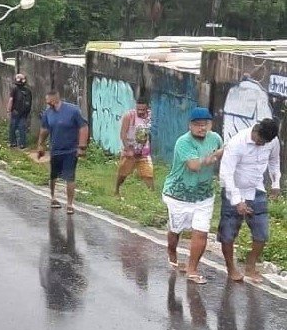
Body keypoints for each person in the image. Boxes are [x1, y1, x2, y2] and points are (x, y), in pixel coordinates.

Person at [162, 107, 223, 285]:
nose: (201, 128)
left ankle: (192, 269)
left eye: (205, 125)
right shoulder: (183, 142)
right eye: (197, 125)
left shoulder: (216, 138)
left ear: (210, 124)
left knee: (201, 231)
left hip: (204, 195)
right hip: (178, 195)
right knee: (176, 230)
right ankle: (172, 251)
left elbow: (223, 155)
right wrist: (212, 157)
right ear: (190, 125)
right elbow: (194, 165)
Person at [218, 118, 280, 284]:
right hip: (233, 191)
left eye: (265, 143)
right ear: (256, 130)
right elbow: (226, 174)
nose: (262, 145)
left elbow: (274, 161)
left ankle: (250, 266)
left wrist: (275, 184)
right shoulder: (237, 143)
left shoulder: (271, 142)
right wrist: (238, 201)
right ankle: (231, 268)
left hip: (256, 190)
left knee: (262, 233)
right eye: (260, 141)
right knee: (228, 233)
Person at [37, 90, 89, 214]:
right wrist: (40, 145)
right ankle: (53, 197)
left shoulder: (73, 111)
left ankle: (70, 204)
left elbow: (83, 127)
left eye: (49, 101)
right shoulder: (47, 113)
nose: (47, 103)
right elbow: (44, 129)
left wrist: (81, 147)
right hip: (55, 150)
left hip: (70, 150)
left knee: (70, 177)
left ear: (55, 99)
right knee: (53, 175)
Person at [115, 95, 154, 195]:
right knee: (123, 174)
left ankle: (151, 197)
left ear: (147, 108)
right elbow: (123, 134)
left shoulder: (150, 116)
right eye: (138, 109)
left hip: (144, 152)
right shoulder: (129, 116)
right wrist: (128, 149)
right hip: (130, 150)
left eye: (143, 109)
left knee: (148, 175)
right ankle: (116, 191)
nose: (140, 111)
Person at [8, 73, 33, 149]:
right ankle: (22, 144)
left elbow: (11, 100)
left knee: (12, 127)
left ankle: (13, 143)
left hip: (15, 111)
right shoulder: (28, 90)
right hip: (24, 112)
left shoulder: (14, 89)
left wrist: (8, 110)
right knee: (22, 127)